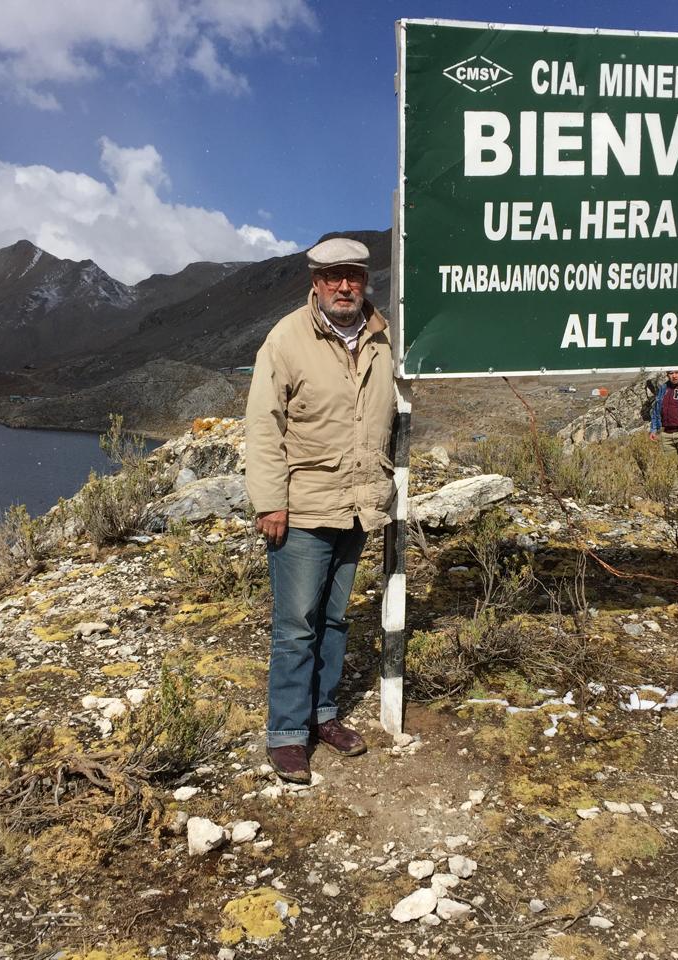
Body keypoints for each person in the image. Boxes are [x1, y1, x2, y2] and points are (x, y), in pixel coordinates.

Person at [244, 237, 396, 784]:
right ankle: (286, 732)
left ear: (364, 281)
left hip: (358, 507)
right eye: (332, 276)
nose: (343, 285)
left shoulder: (383, 339)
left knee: (333, 619)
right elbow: (264, 425)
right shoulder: (286, 339)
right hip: (302, 509)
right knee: (296, 626)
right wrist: (269, 502)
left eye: (352, 275)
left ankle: (323, 714)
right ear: (315, 281)